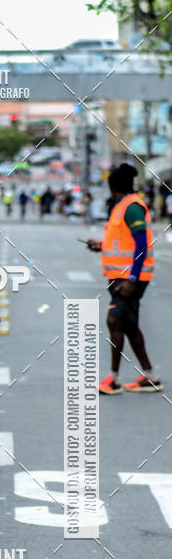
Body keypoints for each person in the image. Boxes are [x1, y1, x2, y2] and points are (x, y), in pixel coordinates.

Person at [87, 163, 162, 393]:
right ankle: (150, 377)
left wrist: (132, 278)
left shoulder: (131, 208)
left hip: (128, 279)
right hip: (121, 276)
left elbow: (142, 243)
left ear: (112, 188)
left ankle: (113, 379)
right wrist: (101, 246)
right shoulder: (122, 207)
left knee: (114, 321)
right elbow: (124, 242)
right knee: (129, 326)